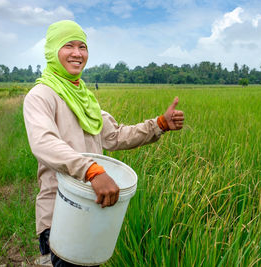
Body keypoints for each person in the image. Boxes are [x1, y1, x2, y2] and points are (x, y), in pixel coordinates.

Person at [23, 20, 184, 267]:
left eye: (83, 47)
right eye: (69, 46)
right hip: (61, 212)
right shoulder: (41, 95)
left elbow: (115, 136)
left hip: (93, 207)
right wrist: (91, 170)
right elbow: (44, 143)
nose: (77, 53)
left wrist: (159, 124)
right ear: (53, 50)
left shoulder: (85, 98)